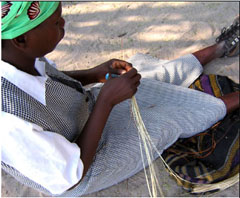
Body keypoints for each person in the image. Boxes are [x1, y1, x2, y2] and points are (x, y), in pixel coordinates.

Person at [1, 1, 239, 196]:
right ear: (21, 40)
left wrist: (95, 73)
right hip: (86, 165)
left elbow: (48, 78)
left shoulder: (13, 57)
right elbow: (71, 175)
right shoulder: (10, 123)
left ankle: (221, 48)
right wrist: (106, 102)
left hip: (84, 113)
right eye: (55, 22)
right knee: (164, 120)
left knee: (146, 78)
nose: (63, 23)